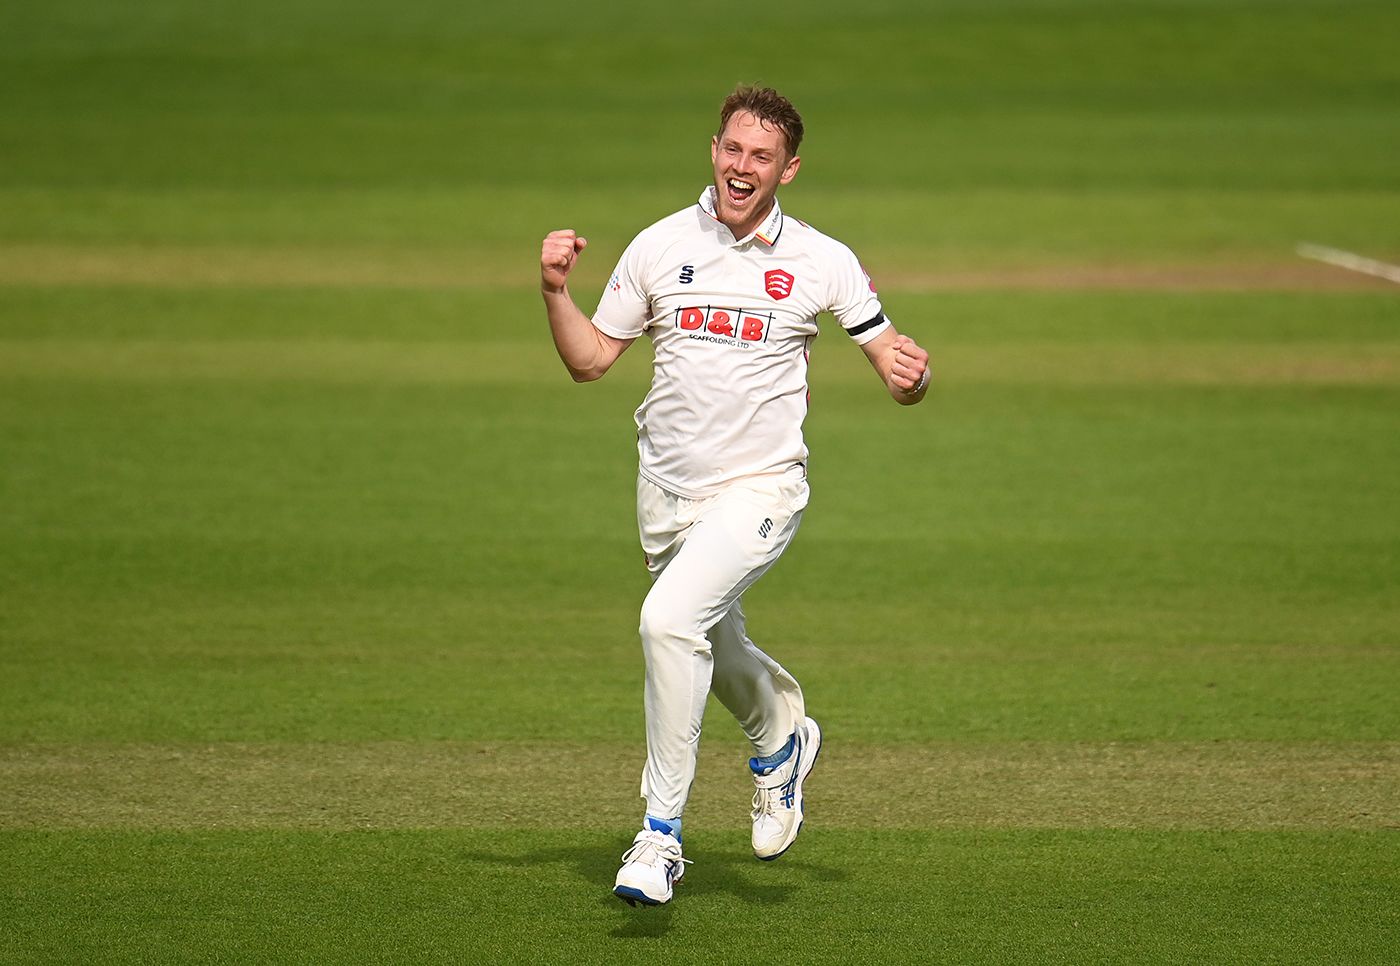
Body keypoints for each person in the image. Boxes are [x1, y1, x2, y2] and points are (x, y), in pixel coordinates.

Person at [539, 85, 930, 907]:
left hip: (762, 488)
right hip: (666, 491)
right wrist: (553, 292)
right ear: (712, 150)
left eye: (760, 156)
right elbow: (590, 361)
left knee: (668, 622)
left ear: (789, 168)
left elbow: (890, 354)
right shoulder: (658, 245)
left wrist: (908, 376)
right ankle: (782, 734)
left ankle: (659, 838)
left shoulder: (822, 259)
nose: (740, 167)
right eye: (731, 149)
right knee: (708, 641)